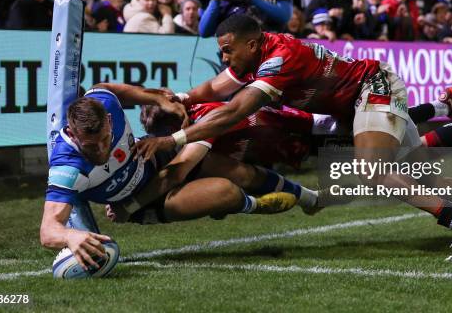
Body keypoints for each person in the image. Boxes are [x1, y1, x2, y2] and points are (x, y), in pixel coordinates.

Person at [133, 14, 452, 261]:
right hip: (350, 108)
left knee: (373, 171)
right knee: (417, 176)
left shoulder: (279, 58)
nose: (225, 58)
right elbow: (216, 88)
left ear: (252, 42)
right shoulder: (252, 58)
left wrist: (172, 141)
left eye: (228, 50)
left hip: (371, 89)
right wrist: (181, 96)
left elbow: (235, 109)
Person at [40, 83, 311, 269]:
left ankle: (309, 198)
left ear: (110, 121)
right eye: (90, 146)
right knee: (224, 192)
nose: (101, 150)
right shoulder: (66, 166)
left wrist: (155, 97)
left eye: (105, 140)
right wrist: (70, 237)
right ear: (74, 135)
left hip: (155, 159)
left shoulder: (107, 104)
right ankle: (250, 205)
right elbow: (48, 230)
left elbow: (110, 89)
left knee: (241, 172)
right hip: (138, 201)